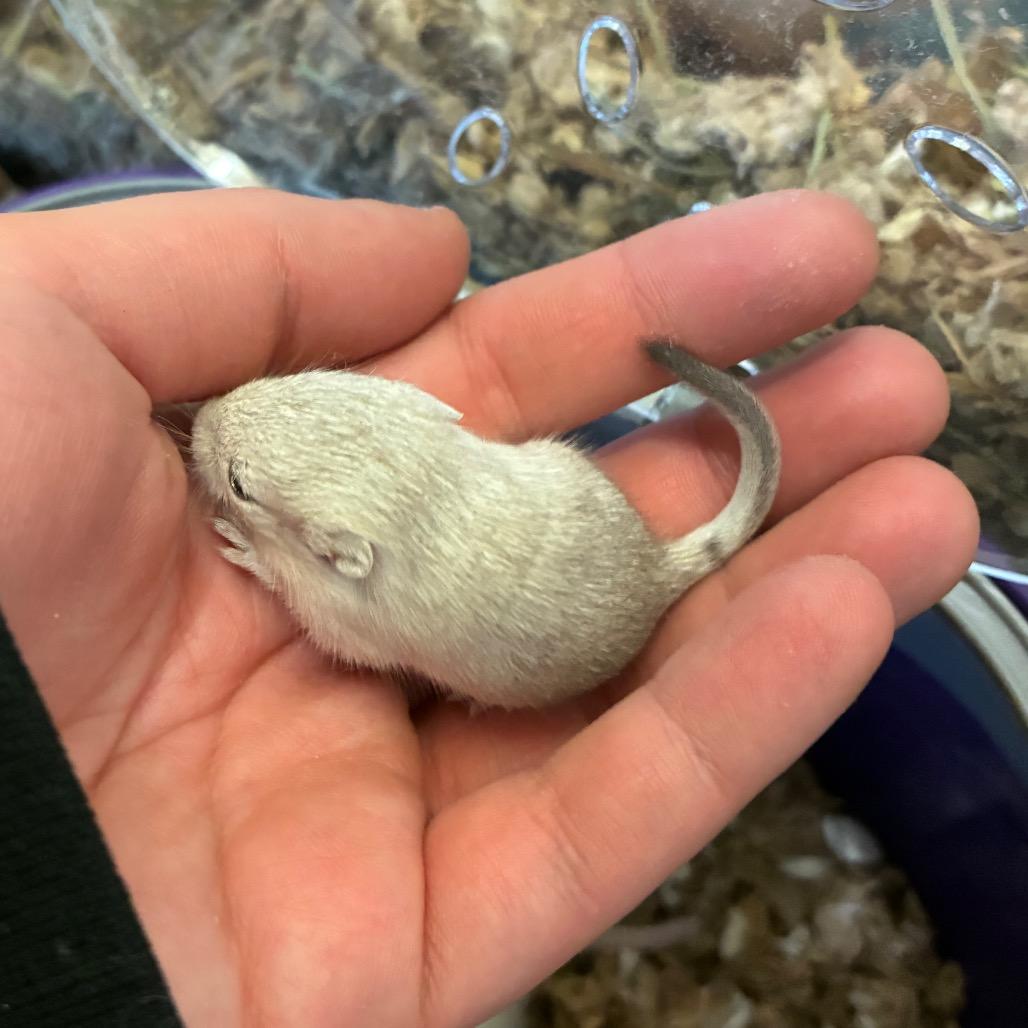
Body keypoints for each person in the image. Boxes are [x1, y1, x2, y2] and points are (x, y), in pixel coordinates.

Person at [0, 188, 978, 1028]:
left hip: (540, 640)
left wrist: (261, 551)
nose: (208, 434)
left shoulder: (349, 588)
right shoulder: (398, 483)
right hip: (559, 527)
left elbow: (346, 628)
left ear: (341, 546)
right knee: (555, 473)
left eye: (246, 484)